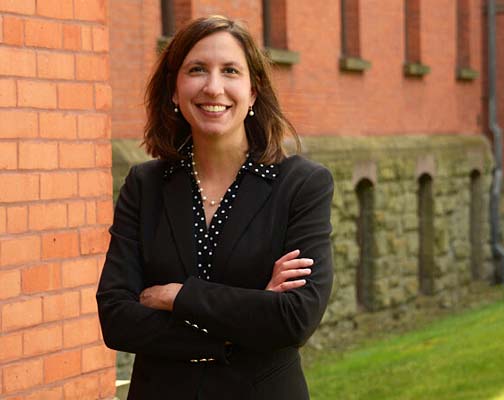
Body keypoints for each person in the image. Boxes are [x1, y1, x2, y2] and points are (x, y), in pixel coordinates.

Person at [96, 15, 334, 400]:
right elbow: (116, 318)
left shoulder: (301, 184)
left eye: (230, 71)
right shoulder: (145, 185)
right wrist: (238, 329)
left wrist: (176, 297)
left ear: (253, 91)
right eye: (197, 70)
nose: (213, 87)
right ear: (174, 90)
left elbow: (294, 318)